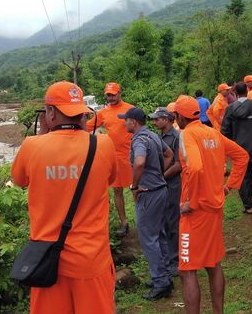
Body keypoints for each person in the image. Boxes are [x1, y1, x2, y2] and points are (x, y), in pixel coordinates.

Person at [11, 81, 117, 314]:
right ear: (82, 113)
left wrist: (42, 134)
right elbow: (109, 180)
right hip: (92, 262)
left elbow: (19, 180)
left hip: (47, 263)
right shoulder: (103, 145)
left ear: (50, 112)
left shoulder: (31, 146)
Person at [173, 95, 249, 314]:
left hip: (195, 214)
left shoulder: (187, 134)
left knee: (187, 271)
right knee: (213, 264)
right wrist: (228, 187)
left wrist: (192, 202)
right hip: (215, 208)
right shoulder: (212, 133)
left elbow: (195, 168)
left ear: (179, 116)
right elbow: (241, 156)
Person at [120, 107, 175, 300]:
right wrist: (159, 173)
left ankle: (161, 282)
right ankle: (166, 276)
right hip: (160, 190)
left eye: (125, 120)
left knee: (148, 239)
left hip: (149, 194)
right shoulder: (152, 135)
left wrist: (135, 185)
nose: (124, 123)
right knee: (159, 235)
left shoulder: (140, 139)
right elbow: (169, 154)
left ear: (133, 122)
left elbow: (140, 162)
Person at [87, 82, 134, 237]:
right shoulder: (103, 113)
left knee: (137, 189)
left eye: (113, 94)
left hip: (132, 155)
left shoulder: (130, 109)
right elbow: (88, 126)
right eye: (108, 95)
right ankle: (124, 223)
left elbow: (140, 127)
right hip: (114, 157)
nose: (111, 97)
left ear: (120, 93)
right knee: (117, 190)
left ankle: (142, 220)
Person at [221, 82, 252, 214]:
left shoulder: (230, 109)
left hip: (238, 149)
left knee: (243, 176)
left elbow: (225, 130)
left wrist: (229, 148)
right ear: (247, 91)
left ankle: (248, 205)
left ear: (235, 93)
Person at [149, 106, 183, 277]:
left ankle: (176, 260)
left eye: (157, 119)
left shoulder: (176, 137)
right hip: (164, 184)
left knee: (173, 221)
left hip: (173, 184)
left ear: (168, 119)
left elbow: (178, 164)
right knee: (164, 221)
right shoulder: (159, 136)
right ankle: (168, 258)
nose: (154, 121)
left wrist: (161, 177)